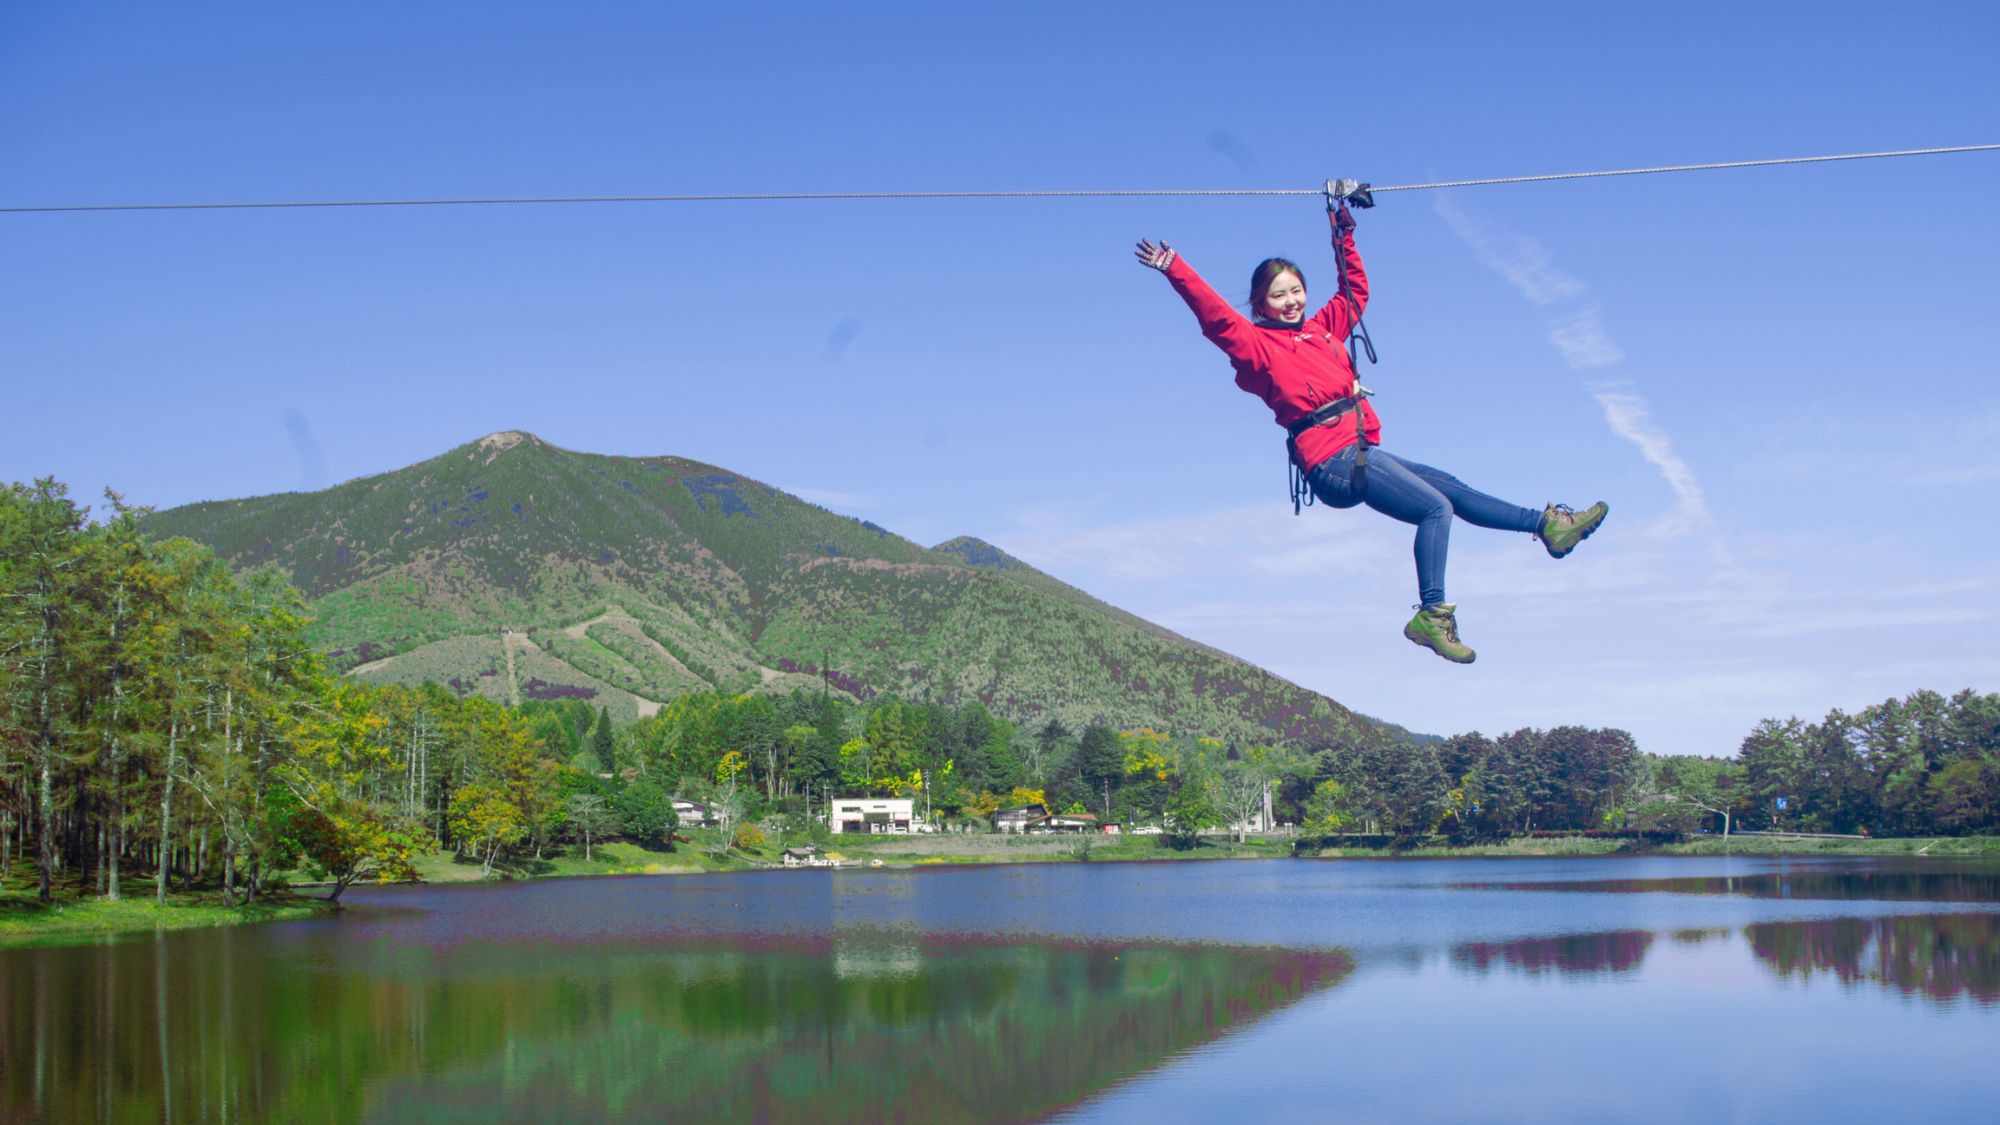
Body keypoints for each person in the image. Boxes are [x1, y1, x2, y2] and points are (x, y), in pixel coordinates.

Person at [1134, 182, 1606, 664]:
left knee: (1453, 491)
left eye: (1296, 290)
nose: (1292, 301)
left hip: (1359, 449)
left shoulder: (1322, 330)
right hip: (1331, 462)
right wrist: (1176, 268)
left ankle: (1548, 526)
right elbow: (1216, 318)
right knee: (1435, 508)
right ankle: (1431, 616)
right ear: (1260, 305)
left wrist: (1341, 224)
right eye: (1279, 296)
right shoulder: (1257, 346)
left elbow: (1354, 290)